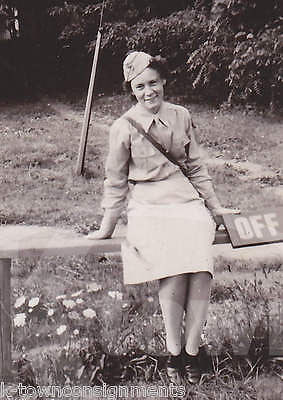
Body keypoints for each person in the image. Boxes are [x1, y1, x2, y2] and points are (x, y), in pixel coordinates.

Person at [87, 51, 239, 384]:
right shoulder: (123, 126)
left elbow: (195, 165)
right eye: (139, 86)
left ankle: (193, 350)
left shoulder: (181, 116)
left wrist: (215, 208)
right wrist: (107, 227)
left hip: (186, 201)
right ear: (132, 89)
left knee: (200, 265)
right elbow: (115, 181)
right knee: (173, 267)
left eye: (153, 83)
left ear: (164, 80)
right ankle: (174, 351)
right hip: (148, 206)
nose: (148, 92)